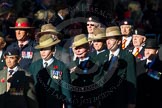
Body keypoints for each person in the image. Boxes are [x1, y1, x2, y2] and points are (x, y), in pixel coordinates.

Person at [29, 34, 72, 108]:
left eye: (46, 49)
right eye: (41, 49)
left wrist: (68, 105)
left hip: (54, 104)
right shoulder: (34, 66)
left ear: (53, 50)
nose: (43, 52)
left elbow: (66, 92)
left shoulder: (61, 67)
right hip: (37, 104)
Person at [98, 26, 136, 108]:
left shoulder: (127, 56)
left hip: (120, 99)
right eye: (107, 39)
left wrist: (131, 101)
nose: (108, 42)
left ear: (118, 41)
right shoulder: (101, 56)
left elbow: (131, 79)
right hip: (103, 100)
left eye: (111, 39)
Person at [69, 34, 100, 108]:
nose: (78, 50)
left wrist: (93, 104)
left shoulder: (96, 64)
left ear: (88, 48)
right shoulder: (71, 65)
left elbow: (98, 85)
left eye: (81, 47)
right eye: (76, 48)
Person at [136, 38, 162, 108]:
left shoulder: (161, 65)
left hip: (154, 101)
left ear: (156, 51)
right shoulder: (138, 65)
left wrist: (147, 71)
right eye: (145, 50)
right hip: (139, 101)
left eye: (150, 50)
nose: (147, 52)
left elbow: (159, 76)